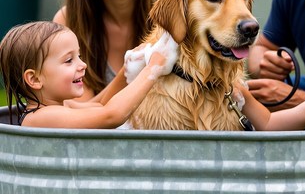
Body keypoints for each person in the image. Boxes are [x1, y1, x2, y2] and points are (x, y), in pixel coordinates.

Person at [0, 21, 177, 128]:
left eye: (79, 56)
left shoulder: (62, 106)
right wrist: (153, 68)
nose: (82, 65)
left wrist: (126, 70)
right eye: (69, 60)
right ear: (35, 79)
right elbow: (111, 115)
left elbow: (101, 106)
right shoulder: (41, 117)